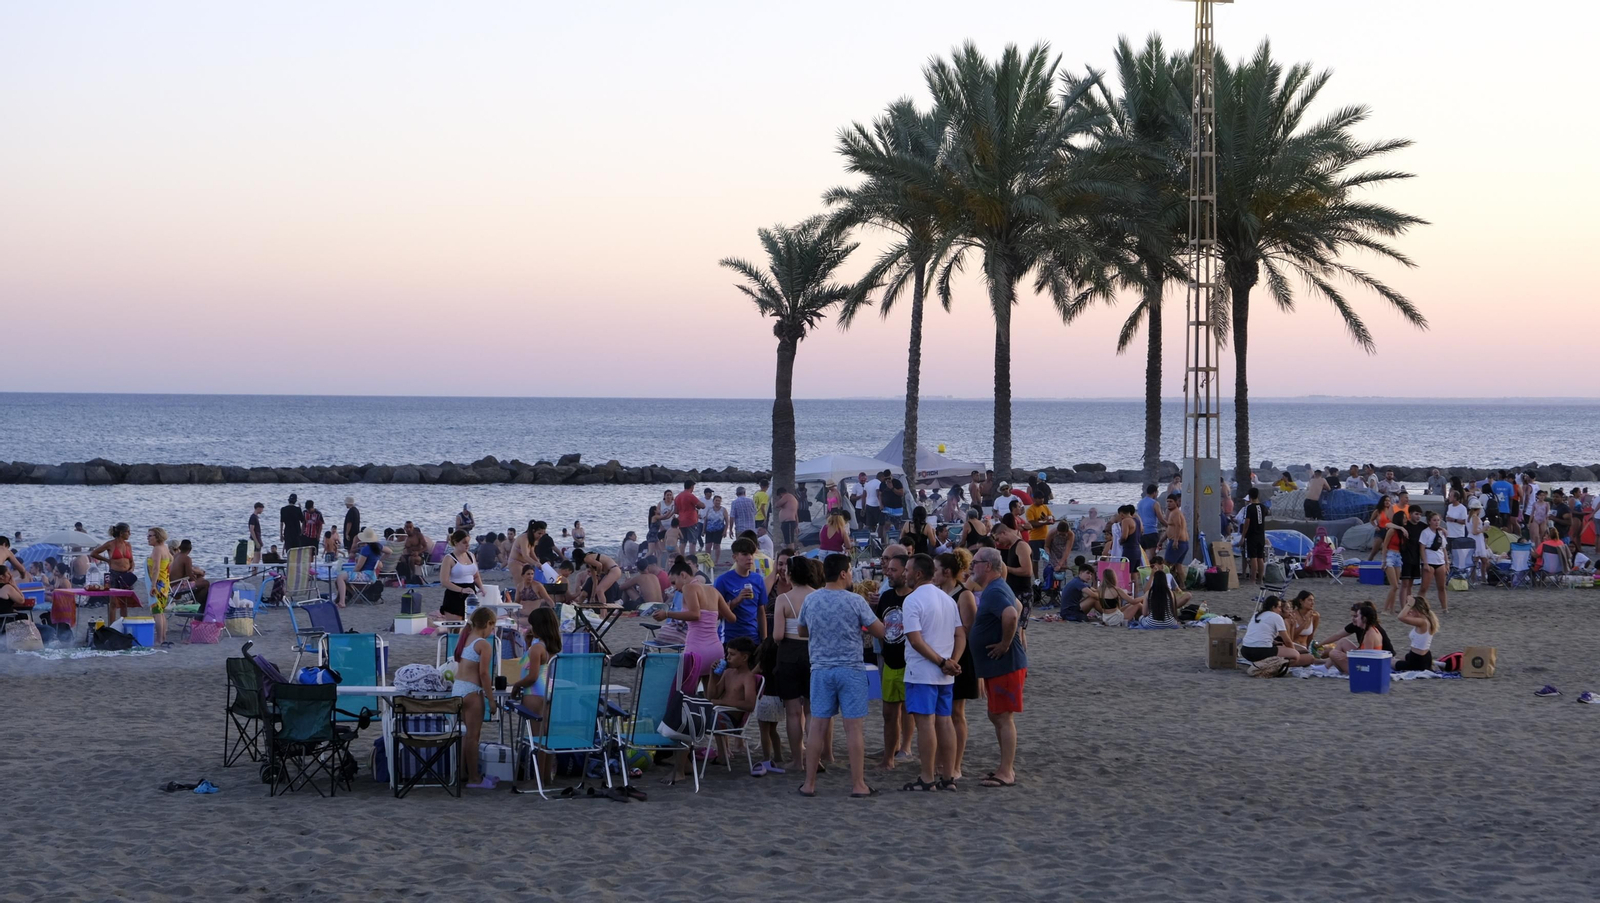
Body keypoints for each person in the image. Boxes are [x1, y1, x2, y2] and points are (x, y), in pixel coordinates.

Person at [795, 553, 888, 798]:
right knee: (853, 729)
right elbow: (879, 631)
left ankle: (809, 783)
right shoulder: (855, 601)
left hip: (821, 669)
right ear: (844, 573)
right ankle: (858, 784)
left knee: (817, 727)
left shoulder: (811, 600)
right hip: (851, 669)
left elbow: (802, 629)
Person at [899, 553, 962, 792]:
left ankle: (927, 777)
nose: (905, 574)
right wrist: (952, 661)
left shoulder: (913, 600)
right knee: (944, 722)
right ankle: (948, 776)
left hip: (923, 672)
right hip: (944, 673)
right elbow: (960, 633)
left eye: (907, 570)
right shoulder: (947, 599)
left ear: (917, 573)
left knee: (925, 724)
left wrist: (941, 661)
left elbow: (915, 640)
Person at [969, 545, 1027, 787]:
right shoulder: (997, 587)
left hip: (1006, 663)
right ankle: (1004, 768)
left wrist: (1005, 643)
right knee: (997, 714)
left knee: (1003, 717)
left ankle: (1007, 772)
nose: (972, 566)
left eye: (975, 562)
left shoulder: (994, 591)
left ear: (988, 566)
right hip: (1000, 665)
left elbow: (1012, 614)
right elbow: (1019, 607)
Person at [654, 557, 735, 689]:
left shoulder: (688, 588)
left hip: (696, 649)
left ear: (683, 575)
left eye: (674, 583)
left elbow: (695, 614)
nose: (674, 588)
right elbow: (731, 618)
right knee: (711, 696)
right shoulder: (713, 591)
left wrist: (667, 614)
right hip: (715, 650)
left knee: (684, 693)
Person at [770, 555, 818, 774]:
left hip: (789, 652)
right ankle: (814, 759)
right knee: (811, 711)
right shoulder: (818, 597)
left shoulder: (783, 599)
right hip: (812, 652)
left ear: (790, 574)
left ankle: (797, 760)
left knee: (792, 713)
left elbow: (778, 635)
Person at [936, 549, 978, 781]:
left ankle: (956, 764)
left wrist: (955, 659)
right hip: (940, 657)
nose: (933, 574)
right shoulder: (937, 592)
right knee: (939, 713)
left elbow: (968, 631)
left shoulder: (964, 595)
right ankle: (942, 760)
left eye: (935, 569)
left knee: (956, 713)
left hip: (960, 657)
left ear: (948, 572)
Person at [873, 545, 912, 768]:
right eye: (888, 568)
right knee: (888, 713)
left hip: (910, 663)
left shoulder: (915, 598)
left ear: (906, 571)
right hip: (890, 662)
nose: (889, 572)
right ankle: (888, 758)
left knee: (911, 709)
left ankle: (906, 748)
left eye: (894, 569)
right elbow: (880, 628)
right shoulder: (886, 596)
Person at [452, 607, 499, 789]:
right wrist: (491, 699)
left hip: (458, 689)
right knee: (473, 736)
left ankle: (464, 772)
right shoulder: (483, 644)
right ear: (488, 624)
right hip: (472, 691)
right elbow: (484, 674)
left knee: (466, 734)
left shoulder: (466, 638)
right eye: (492, 627)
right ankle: (474, 778)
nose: (491, 632)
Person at [714, 537, 768, 643]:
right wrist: (737, 600)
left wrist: (764, 639)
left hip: (753, 638)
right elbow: (716, 615)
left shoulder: (758, 579)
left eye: (751, 554)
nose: (750, 558)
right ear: (735, 557)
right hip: (730, 638)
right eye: (745, 554)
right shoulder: (722, 581)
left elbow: (761, 612)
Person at [1239, 595, 1315, 667]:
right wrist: (1293, 652)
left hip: (1245, 651)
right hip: (1261, 651)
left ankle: (1267, 663)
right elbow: (1288, 641)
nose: (1280, 610)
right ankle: (1270, 666)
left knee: (1293, 651)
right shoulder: (1276, 616)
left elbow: (1258, 635)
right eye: (1279, 607)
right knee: (1295, 655)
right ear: (1273, 607)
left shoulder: (1256, 614)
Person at [1320, 601, 1393, 675]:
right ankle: (1326, 667)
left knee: (1333, 653)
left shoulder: (1369, 635)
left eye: (1357, 616)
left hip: (1366, 669)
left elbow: (1367, 659)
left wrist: (1347, 656)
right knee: (1342, 642)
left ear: (1364, 618)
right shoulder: (1372, 629)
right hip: (1371, 665)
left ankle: (1342, 670)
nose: (1355, 619)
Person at [89, 523, 138, 624]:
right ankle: (112, 626)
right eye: (127, 531)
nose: (130, 534)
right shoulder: (110, 544)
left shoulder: (128, 545)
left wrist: (132, 568)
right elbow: (94, 553)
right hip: (115, 574)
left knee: (124, 602)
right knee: (113, 603)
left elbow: (132, 561)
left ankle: (124, 623)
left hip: (126, 575)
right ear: (121, 533)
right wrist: (107, 560)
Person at [434, 529, 483, 631]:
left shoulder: (471, 556)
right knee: (454, 630)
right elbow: (444, 581)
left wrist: (481, 588)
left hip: (471, 596)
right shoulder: (449, 558)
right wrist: (461, 590)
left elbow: (476, 576)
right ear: (456, 543)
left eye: (468, 542)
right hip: (454, 595)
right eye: (464, 542)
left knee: (471, 628)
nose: (467, 545)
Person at [334, 529, 385, 607]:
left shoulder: (366, 549)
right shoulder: (378, 546)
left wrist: (353, 573)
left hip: (366, 575)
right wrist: (379, 561)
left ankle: (342, 602)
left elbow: (358, 567)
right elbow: (390, 551)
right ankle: (355, 596)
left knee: (340, 577)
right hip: (373, 575)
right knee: (344, 577)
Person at [1394, 596, 1439, 672]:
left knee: (1389, 662)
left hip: (1417, 661)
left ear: (1418, 610)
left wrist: (1409, 604)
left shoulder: (1422, 622)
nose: (1410, 611)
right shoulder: (1427, 618)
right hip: (1423, 657)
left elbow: (1401, 617)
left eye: (1412, 609)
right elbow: (1405, 615)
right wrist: (1409, 603)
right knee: (1397, 658)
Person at [144, 527, 173, 645]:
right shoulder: (165, 548)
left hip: (158, 584)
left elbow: (156, 568)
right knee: (161, 612)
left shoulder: (157, 549)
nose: (148, 538)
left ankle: (159, 639)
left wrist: (153, 586)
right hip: (164, 583)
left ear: (158, 537)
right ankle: (163, 637)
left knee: (157, 612)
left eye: (150, 536)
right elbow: (170, 562)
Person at [1419, 512, 1450, 613]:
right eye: (1434, 520)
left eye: (1438, 520)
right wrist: (1426, 563)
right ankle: (1419, 607)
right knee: (1424, 587)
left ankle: (1444, 608)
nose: (1437, 522)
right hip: (1430, 561)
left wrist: (1447, 563)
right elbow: (1422, 548)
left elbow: (1444, 548)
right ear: (1429, 521)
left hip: (1440, 561)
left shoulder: (1440, 533)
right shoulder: (1425, 533)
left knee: (1442, 587)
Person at [170, 539, 210, 604]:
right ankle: (201, 603)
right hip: (178, 587)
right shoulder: (186, 558)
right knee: (206, 583)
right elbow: (190, 576)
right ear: (190, 549)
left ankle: (196, 600)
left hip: (171, 586)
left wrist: (198, 578)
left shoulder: (175, 556)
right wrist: (197, 580)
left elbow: (185, 573)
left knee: (200, 580)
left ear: (180, 547)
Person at [1163, 494, 1190, 585]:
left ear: (1176, 503)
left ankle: (1165, 584)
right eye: (1167, 501)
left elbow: (1178, 526)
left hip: (1178, 542)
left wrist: (1175, 541)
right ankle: (1183, 585)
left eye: (1171, 502)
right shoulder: (1175, 512)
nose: (1168, 504)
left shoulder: (1175, 513)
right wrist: (1160, 541)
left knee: (1166, 565)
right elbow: (1169, 530)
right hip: (1183, 543)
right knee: (1178, 565)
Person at [1242, 488, 1267, 585]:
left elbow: (1247, 522)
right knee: (1260, 557)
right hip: (1261, 534)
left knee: (1253, 557)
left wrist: (1243, 535)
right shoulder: (1263, 507)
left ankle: (1252, 579)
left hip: (1252, 535)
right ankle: (1260, 578)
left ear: (1250, 496)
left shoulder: (1250, 508)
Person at [674, 480, 704, 557]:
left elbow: (676, 511)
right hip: (691, 521)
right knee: (692, 542)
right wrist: (696, 507)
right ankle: (692, 559)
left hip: (681, 521)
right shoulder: (690, 495)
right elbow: (702, 505)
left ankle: (681, 559)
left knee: (683, 542)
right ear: (691, 486)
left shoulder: (678, 497)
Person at [1136, 484, 1165, 555]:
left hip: (1141, 532)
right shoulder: (1155, 503)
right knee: (1152, 556)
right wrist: (1169, 526)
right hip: (1151, 532)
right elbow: (1161, 519)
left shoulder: (1140, 503)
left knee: (1143, 556)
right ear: (1155, 492)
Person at [703, 495, 730, 567]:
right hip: (709, 529)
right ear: (713, 501)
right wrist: (703, 530)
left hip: (719, 530)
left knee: (716, 545)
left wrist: (725, 531)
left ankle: (716, 561)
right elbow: (705, 520)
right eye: (716, 500)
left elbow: (727, 521)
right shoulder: (709, 509)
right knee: (708, 545)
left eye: (719, 501)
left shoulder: (723, 510)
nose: (717, 502)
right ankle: (708, 560)